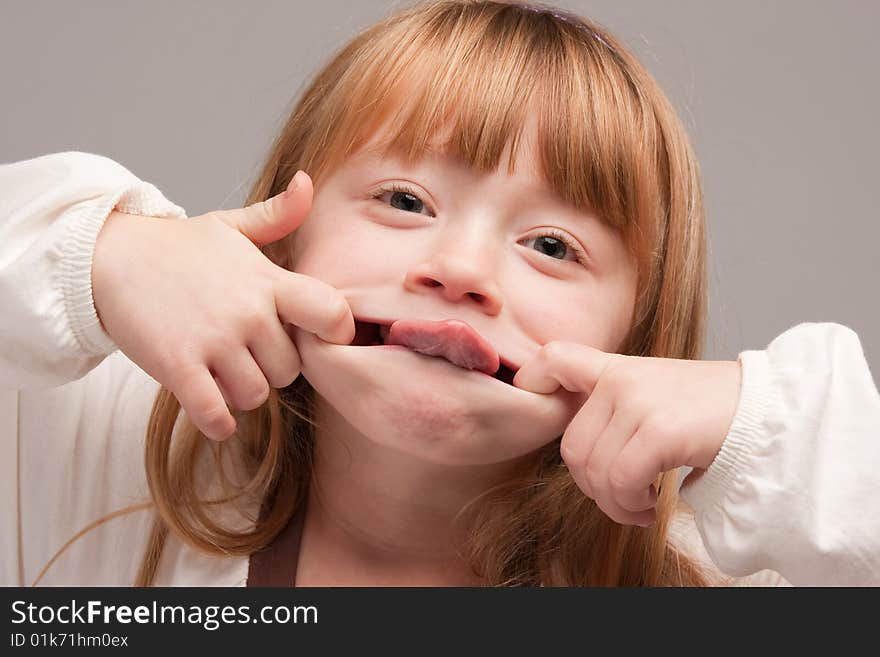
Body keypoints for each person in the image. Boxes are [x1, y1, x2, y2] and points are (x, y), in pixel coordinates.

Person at [1, 0, 878, 587]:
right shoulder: (103, 445)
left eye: (551, 246)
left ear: (638, 339)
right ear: (287, 234)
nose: (460, 270)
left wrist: (765, 436)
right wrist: (101, 256)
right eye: (404, 201)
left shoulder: (719, 577)